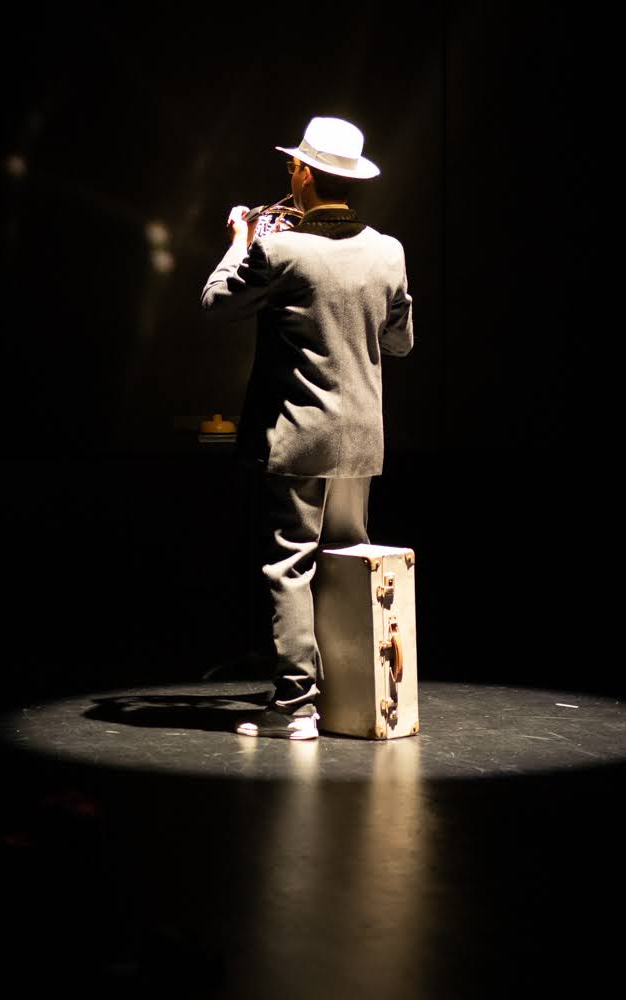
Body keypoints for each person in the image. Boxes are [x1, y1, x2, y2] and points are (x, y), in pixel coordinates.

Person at [201, 117, 414, 739]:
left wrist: (241, 241)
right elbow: (400, 343)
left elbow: (216, 303)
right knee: (347, 561)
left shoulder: (280, 250)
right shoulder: (390, 251)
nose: (290, 171)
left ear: (304, 174)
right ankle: (350, 700)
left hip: (298, 436)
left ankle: (295, 706)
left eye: (293, 164)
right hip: (363, 438)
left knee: (289, 568)